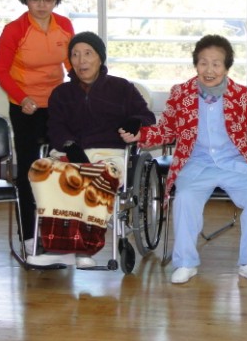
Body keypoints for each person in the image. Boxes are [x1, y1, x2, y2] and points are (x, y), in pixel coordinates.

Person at [123, 34, 247, 285]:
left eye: (216, 64)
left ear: (227, 67)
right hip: (195, 163)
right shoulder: (180, 94)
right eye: (203, 63)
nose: (209, 70)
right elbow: (167, 130)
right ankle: (185, 263)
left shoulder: (242, 95)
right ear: (196, 65)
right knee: (184, 199)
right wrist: (140, 135)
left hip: (235, 163)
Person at [25, 31, 156, 268]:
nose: (81, 60)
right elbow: (55, 127)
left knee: (95, 174)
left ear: (100, 58)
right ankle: (58, 250)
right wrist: (69, 145)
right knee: (41, 169)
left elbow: (147, 117)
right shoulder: (61, 93)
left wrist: (134, 122)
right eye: (75, 55)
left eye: (88, 53)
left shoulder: (121, 88)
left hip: (110, 154)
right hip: (71, 152)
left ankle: (84, 250)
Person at [0, 0, 75, 252]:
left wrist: (82, 89)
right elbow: (1, 71)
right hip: (25, 107)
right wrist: (21, 97)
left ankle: (57, 231)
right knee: (29, 170)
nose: (41, 5)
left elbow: (72, 64)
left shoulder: (64, 25)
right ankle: (29, 236)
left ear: (56, 0)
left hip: (57, 106)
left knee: (59, 167)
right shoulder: (15, 30)